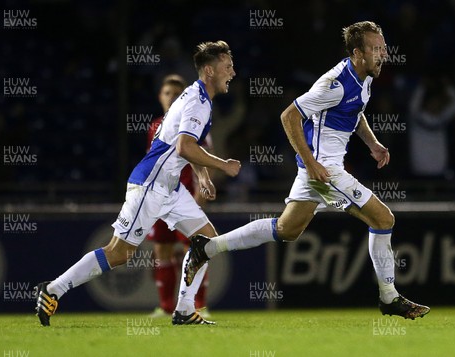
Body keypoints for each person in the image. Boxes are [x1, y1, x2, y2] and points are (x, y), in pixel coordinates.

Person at [184, 21, 430, 319]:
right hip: (326, 172)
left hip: (317, 171)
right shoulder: (334, 83)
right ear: (358, 53)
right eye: (376, 49)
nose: (383, 54)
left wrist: (373, 143)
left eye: (383, 47)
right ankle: (389, 298)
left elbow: (356, 111)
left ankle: (206, 248)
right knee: (382, 218)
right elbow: (289, 116)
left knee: (287, 230)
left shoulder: (364, 76)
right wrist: (312, 163)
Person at [34, 40, 241, 326]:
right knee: (119, 253)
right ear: (209, 70)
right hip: (152, 184)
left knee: (206, 241)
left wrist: (203, 175)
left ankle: (183, 309)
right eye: (227, 66)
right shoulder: (197, 100)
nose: (232, 72)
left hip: (169, 186)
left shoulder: (198, 97)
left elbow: (183, 144)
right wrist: (222, 164)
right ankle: (53, 289)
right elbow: (184, 147)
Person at [146, 75, 211, 319]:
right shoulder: (154, 126)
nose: (172, 97)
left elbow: (204, 158)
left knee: (196, 249)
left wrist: (200, 194)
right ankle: (165, 307)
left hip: (186, 198)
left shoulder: (195, 123)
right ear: (160, 97)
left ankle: (198, 306)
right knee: (162, 250)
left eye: (176, 93)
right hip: (160, 198)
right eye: (167, 93)